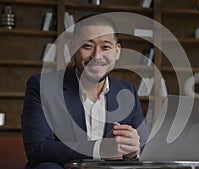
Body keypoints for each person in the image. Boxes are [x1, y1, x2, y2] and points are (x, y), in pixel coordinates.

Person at [21, 14, 149, 169]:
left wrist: (132, 152)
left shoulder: (127, 91)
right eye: (87, 46)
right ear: (73, 47)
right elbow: (37, 149)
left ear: (117, 51)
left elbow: (143, 151)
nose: (96, 56)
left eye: (106, 47)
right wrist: (99, 149)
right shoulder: (43, 86)